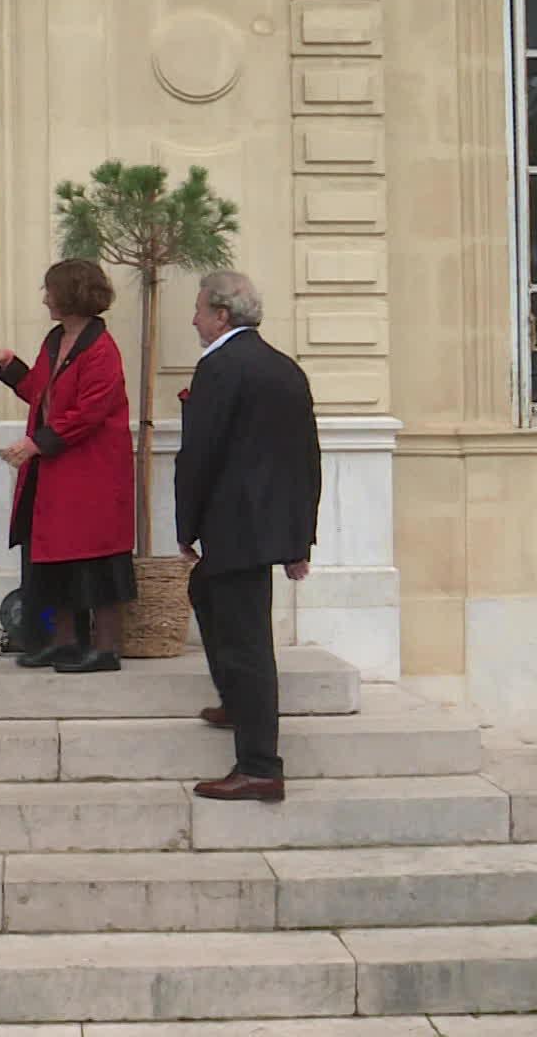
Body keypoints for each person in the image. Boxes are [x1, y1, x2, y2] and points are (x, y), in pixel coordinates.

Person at [176, 270, 321, 801]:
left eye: (198, 310)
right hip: (265, 526)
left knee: (247, 646)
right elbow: (307, 457)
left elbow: (200, 454)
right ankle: (236, 702)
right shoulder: (285, 368)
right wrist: (298, 539)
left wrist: (186, 526)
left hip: (233, 524)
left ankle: (260, 765)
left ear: (221, 314)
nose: (192, 319)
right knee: (206, 595)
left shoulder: (219, 366)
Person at [0, 259, 136, 672]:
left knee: (97, 562)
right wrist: (9, 363)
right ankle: (63, 643)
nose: (45, 298)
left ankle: (105, 649)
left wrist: (35, 443)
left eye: (50, 290)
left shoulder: (102, 350)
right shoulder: (55, 340)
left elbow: (89, 412)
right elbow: (39, 392)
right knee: (55, 559)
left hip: (92, 472)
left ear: (71, 292)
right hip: (60, 470)